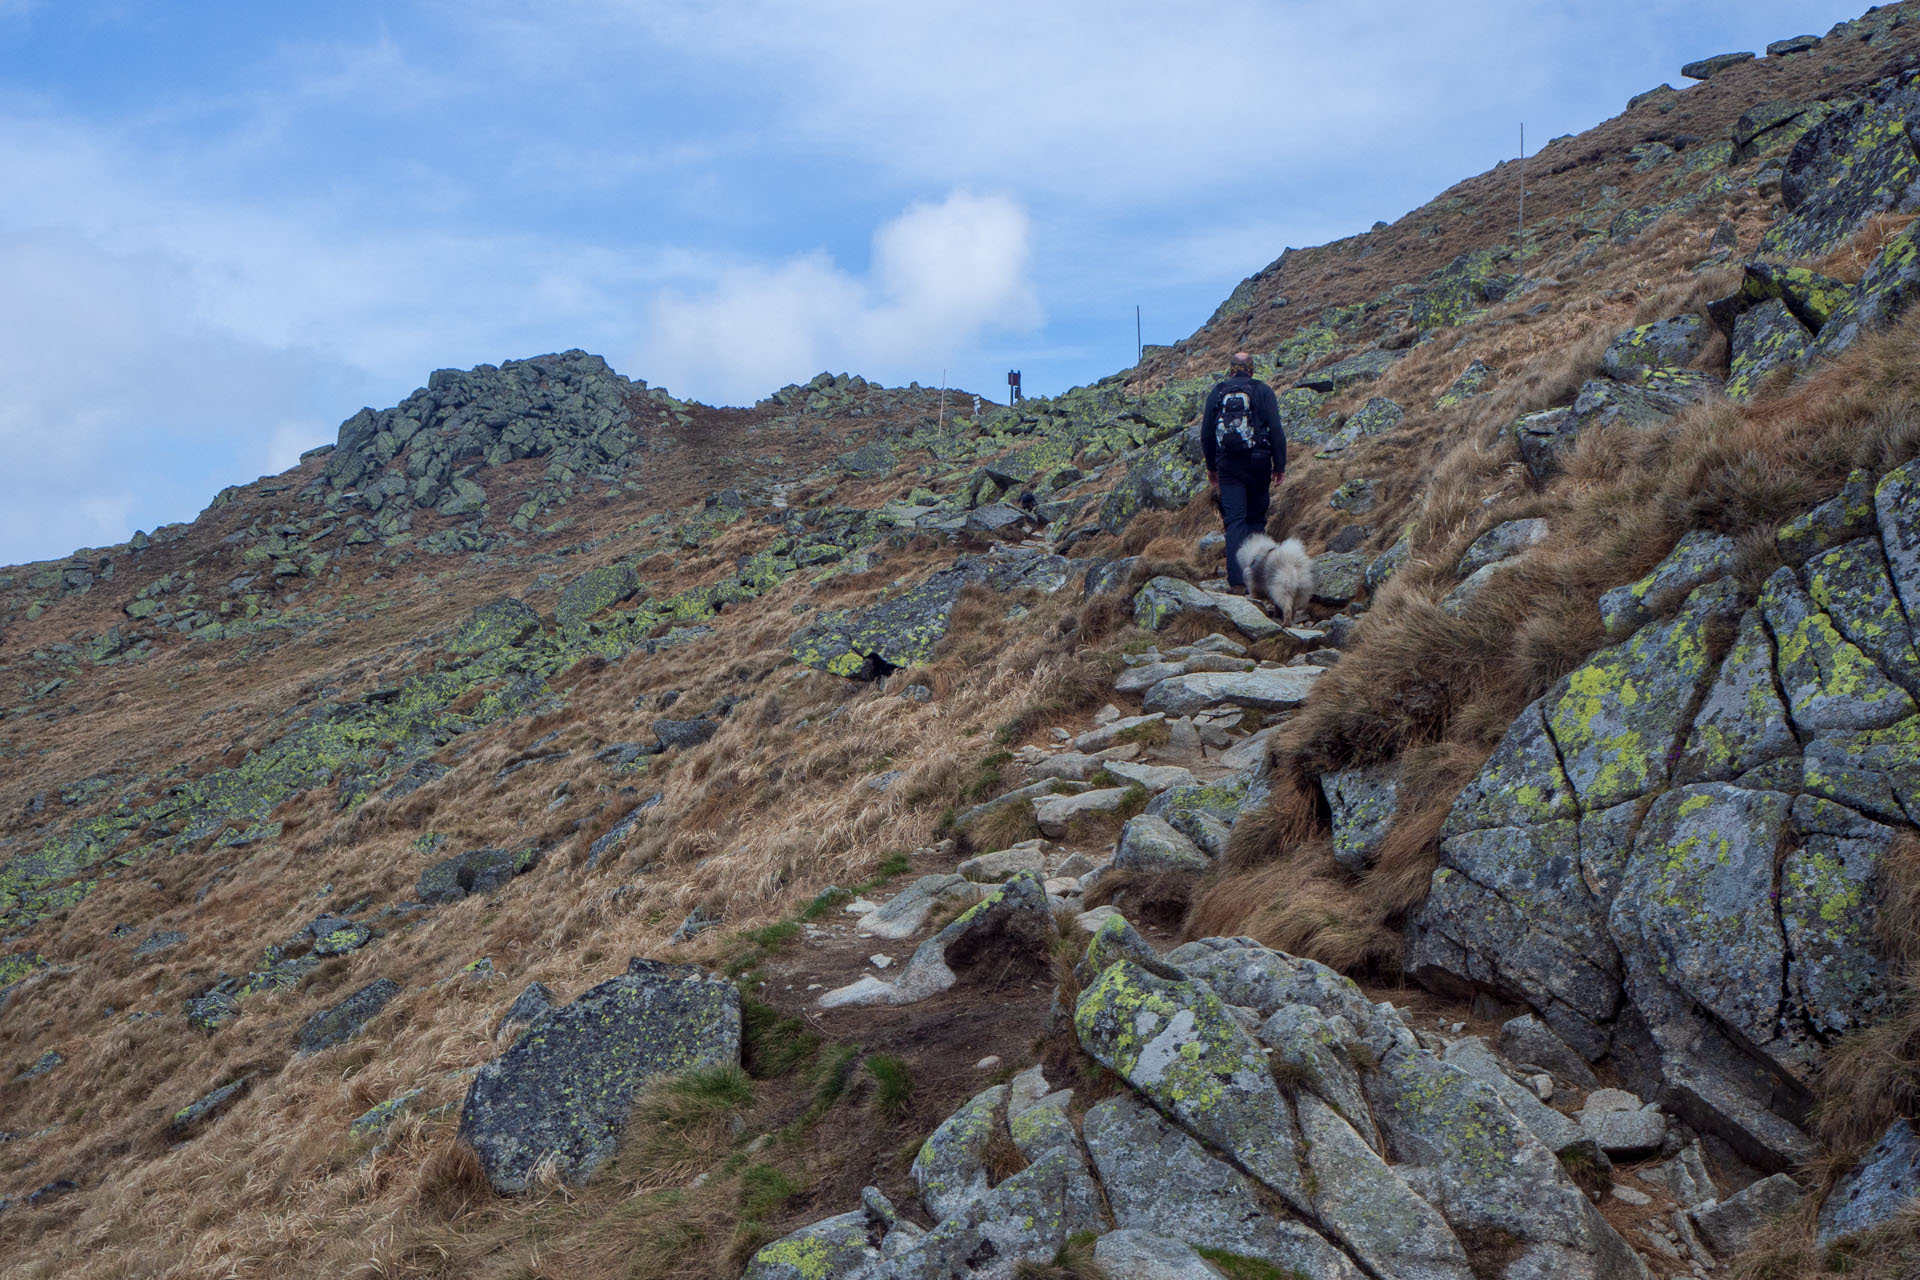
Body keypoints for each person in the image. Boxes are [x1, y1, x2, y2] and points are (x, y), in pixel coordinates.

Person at [1200, 352, 1286, 595]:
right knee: (1256, 519)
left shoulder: (1217, 392)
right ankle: (1258, 580)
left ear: (1230, 370)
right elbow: (1277, 430)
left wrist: (1211, 467)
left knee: (1235, 521)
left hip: (1228, 465)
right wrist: (1279, 466)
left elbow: (1206, 433)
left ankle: (1237, 583)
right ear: (1251, 370)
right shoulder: (1263, 391)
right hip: (1259, 463)